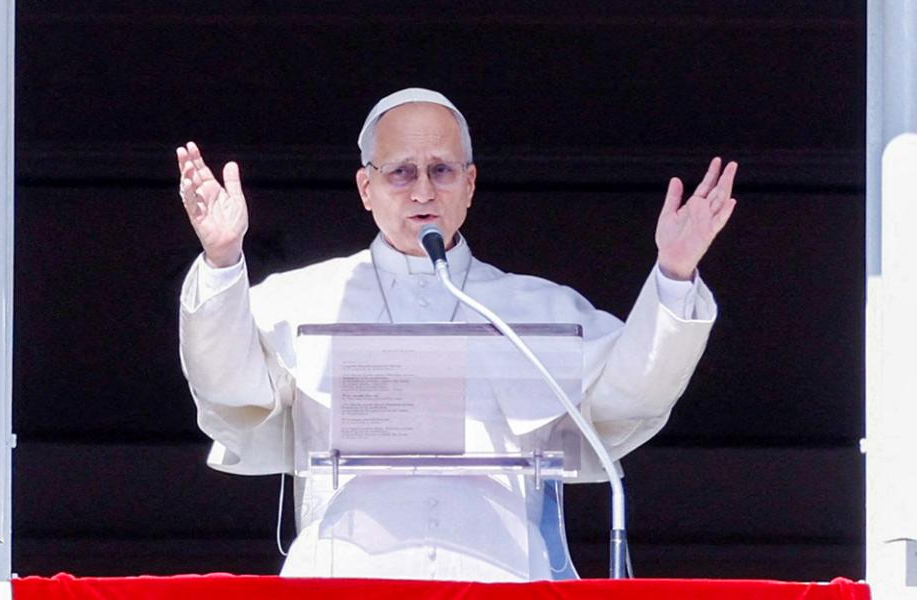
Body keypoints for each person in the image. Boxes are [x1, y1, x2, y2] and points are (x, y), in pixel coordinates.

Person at [175, 88, 737, 581]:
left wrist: (674, 274)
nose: (422, 191)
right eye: (400, 172)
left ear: (469, 184)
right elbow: (230, 390)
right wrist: (223, 261)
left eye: (441, 171)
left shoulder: (538, 309)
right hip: (342, 577)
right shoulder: (302, 300)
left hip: (500, 576)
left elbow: (630, 396)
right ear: (366, 187)